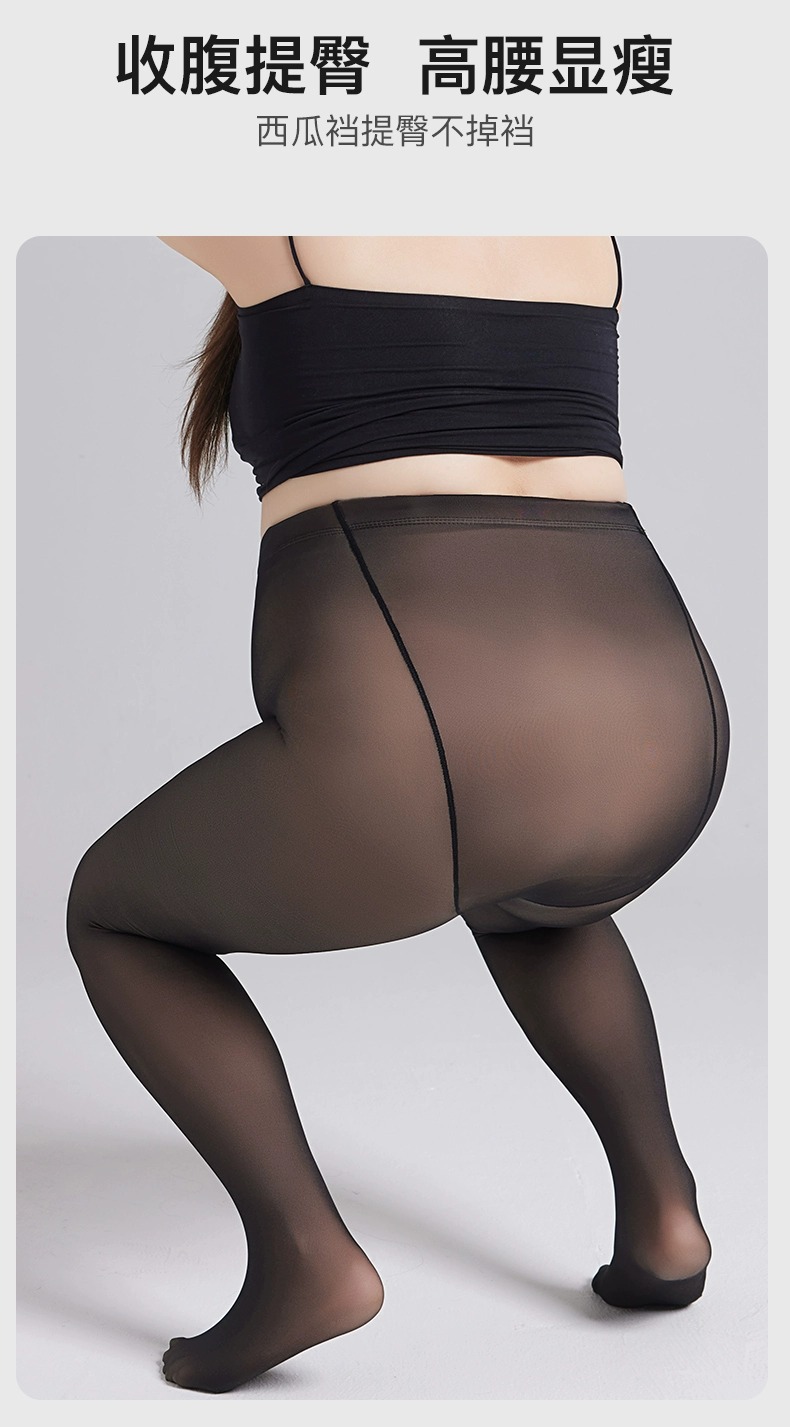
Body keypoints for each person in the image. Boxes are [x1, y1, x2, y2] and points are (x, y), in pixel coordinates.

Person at [65, 236, 729, 1395]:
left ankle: (305, 1257)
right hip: (663, 727)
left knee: (112, 910)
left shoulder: (292, 223)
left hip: (430, 727)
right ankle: (665, 1216)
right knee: (538, 902)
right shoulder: (581, 234)